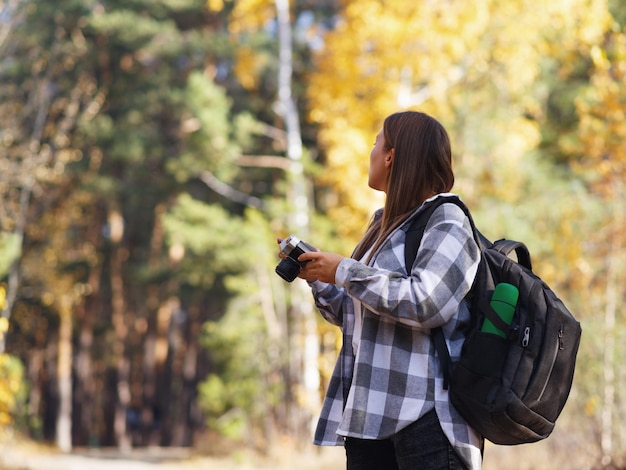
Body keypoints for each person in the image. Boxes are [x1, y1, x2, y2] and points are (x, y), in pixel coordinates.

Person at [281, 111, 482, 469]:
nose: (371, 152)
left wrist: (344, 270)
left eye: (376, 142)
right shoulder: (381, 225)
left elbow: (427, 302)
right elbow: (355, 315)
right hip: (368, 419)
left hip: (425, 420)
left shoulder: (447, 219)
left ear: (391, 156)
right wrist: (320, 275)